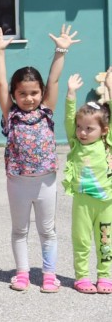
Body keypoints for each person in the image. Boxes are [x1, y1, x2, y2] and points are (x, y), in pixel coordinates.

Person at [0, 24, 80, 293]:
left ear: (41, 93)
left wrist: (61, 51)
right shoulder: (11, 115)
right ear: (14, 96)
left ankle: (49, 274)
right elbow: (1, 83)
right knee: (20, 230)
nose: (29, 98)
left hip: (46, 181)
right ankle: (23, 273)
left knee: (47, 230)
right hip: (18, 181)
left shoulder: (46, 112)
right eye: (22, 94)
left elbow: (54, 80)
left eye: (34, 93)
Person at [63, 70, 112, 294]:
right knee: (81, 241)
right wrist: (71, 94)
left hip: (106, 202)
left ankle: (104, 277)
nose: (82, 132)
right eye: (80, 127)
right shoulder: (76, 144)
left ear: (104, 131)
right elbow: (68, 119)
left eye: (89, 129)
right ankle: (82, 277)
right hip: (82, 201)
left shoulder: (107, 143)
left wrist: (109, 89)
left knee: (105, 242)